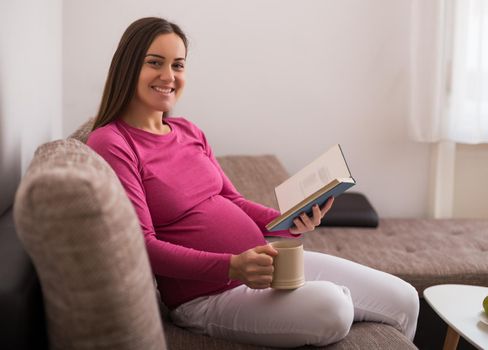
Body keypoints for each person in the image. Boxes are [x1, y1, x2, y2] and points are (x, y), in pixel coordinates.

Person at [87, 17, 419, 348]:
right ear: (128, 66)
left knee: (405, 298)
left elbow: (234, 200)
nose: (169, 76)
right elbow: (144, 245)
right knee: (334, 308)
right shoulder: (112, 142)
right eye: (154, 63)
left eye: (178, 65)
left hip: (267, 262)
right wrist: (232, 267)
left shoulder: (189, 131)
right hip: (207, 297)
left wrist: (290, 223)